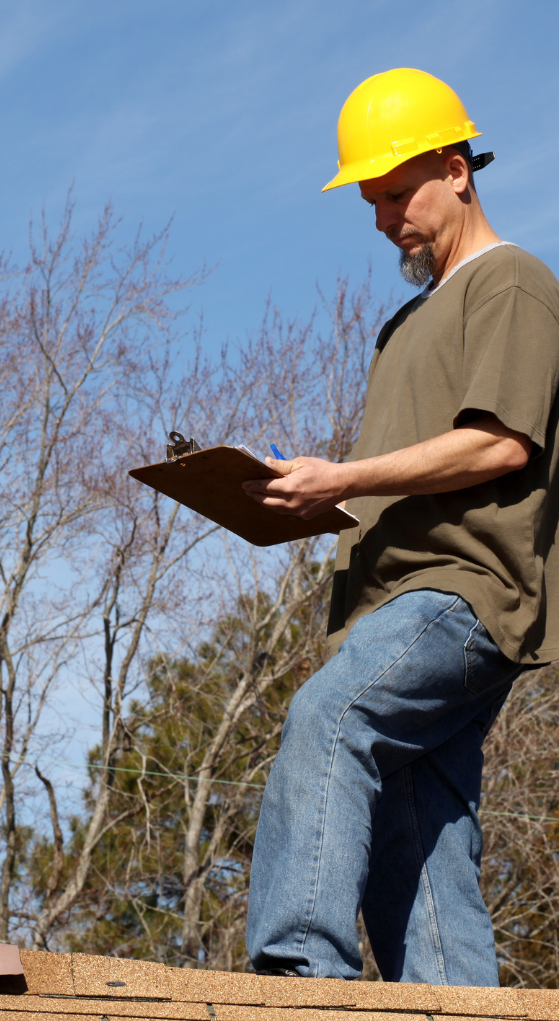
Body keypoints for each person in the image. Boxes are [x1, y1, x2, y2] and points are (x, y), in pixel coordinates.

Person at [241, 68, 559, 985]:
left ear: (457, 169)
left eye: (395, 194)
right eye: (371, 202)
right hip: (392, 600)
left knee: (331, 717)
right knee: (420, 831)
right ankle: (458, 1001)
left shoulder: (513, 284)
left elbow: (499, 446)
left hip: (458, 595)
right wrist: (302, 499)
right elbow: (406, 480)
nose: (384, 220)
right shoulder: (403, 326)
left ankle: (301, 971)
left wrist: (342, 473)